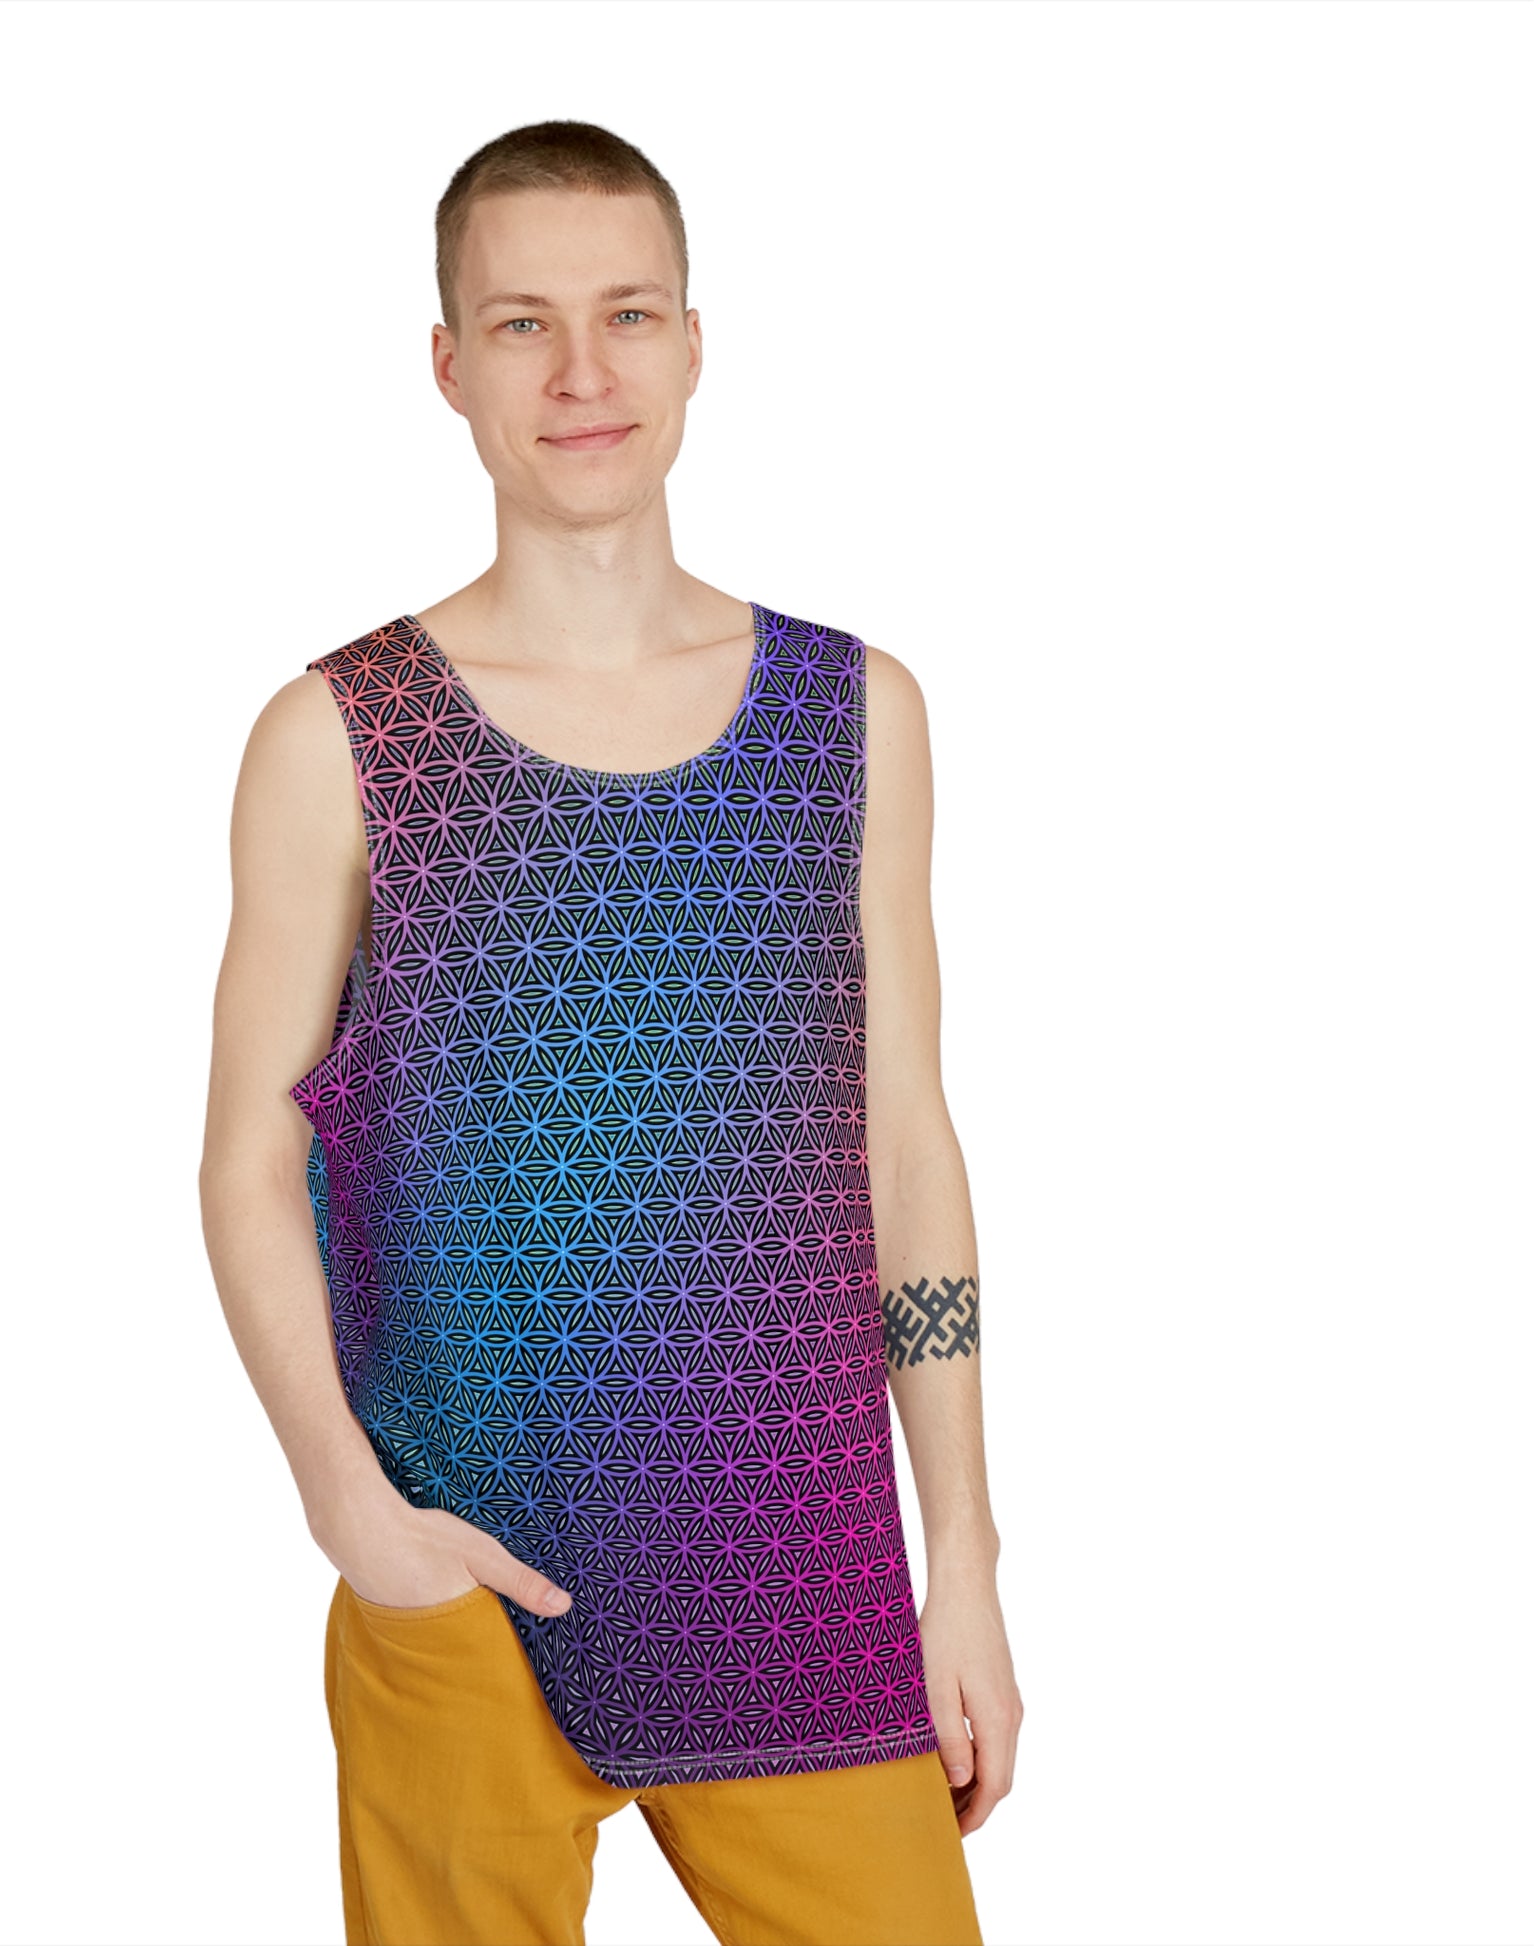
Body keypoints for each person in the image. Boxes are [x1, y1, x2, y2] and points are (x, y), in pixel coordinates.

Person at [198, 118, 1021, 1946]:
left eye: (626, 314)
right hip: (466, 1577)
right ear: (448, 364)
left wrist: (958, 1553)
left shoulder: (853, 714)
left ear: (693, 343)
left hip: (798, 1583)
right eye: (522, 324)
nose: (582, 372)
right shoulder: (337, 737)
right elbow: (252, 1150)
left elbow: (903, 1141)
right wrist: (350, 1509)